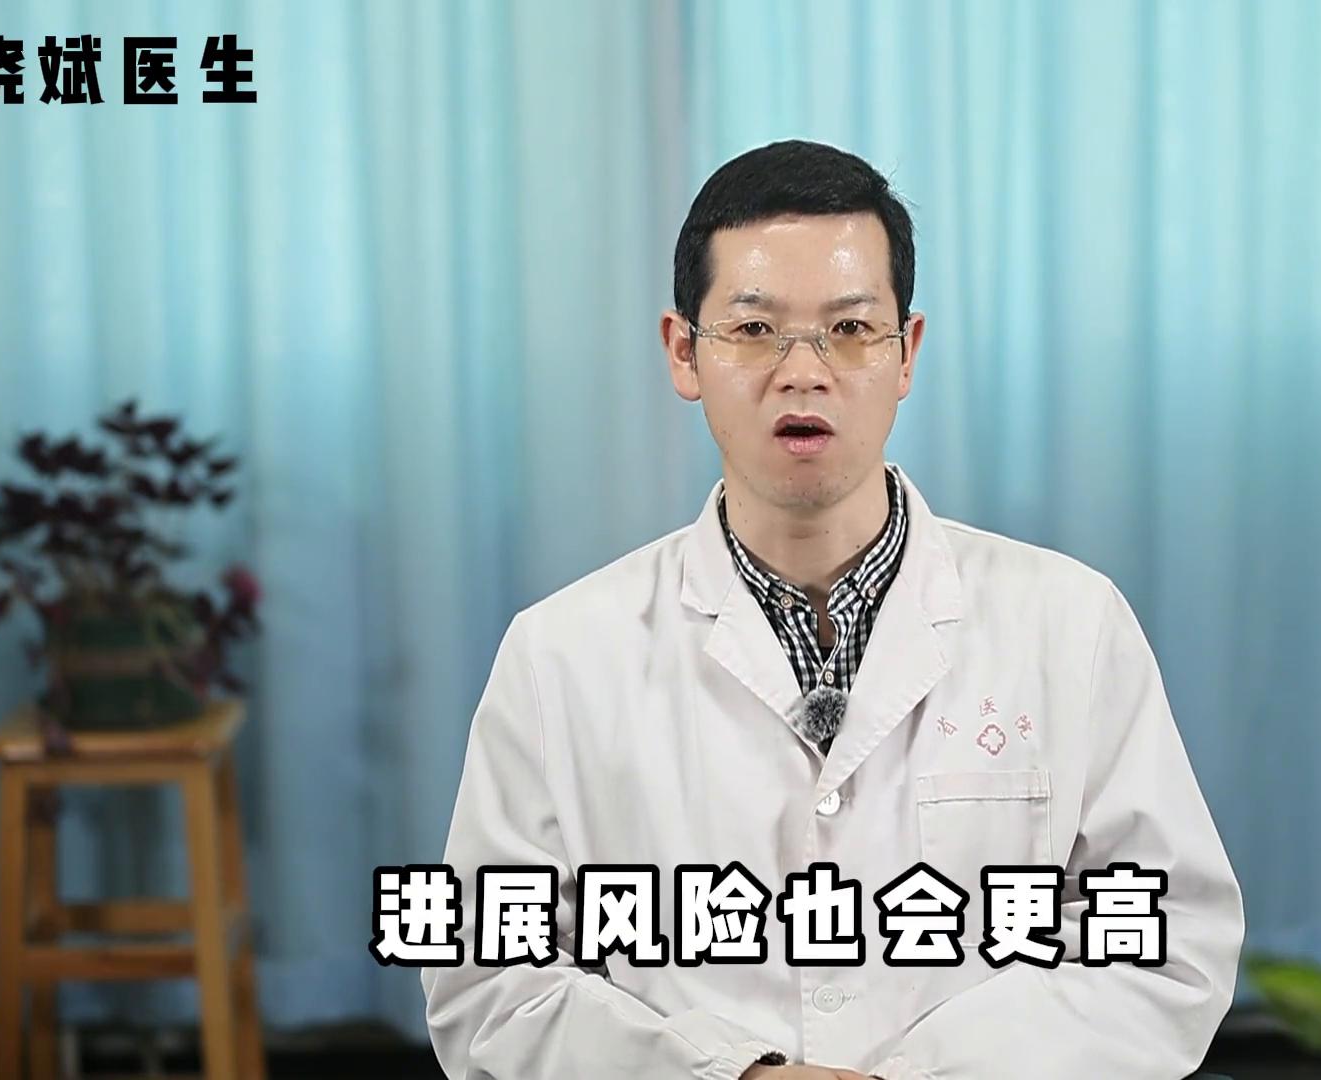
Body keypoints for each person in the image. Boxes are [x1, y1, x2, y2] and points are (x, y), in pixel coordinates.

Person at [420, 139, 1243, 1079]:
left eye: (851, 329)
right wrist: (731, 1075)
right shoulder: (561, 653)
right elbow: (490, 983)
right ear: (684, 352)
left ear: (907, 353)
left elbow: (1169, 944)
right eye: (754, 329)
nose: (803, 372)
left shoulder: (1071, 624)